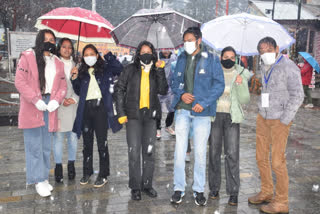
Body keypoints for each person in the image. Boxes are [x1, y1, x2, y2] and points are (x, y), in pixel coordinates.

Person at [248, 37, 304, 214]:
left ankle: (281, 201)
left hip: (280, 120)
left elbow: (298, 95)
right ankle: (266, 191)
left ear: (277, 48)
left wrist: (285, 119)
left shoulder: (288, 67)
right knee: (260, 157)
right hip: (263, 117)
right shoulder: (263, 66)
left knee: (277, 161)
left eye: (268, 50)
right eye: (261, 51)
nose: (265, 54)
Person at [170, 27, 225, 206]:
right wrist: (181, 94)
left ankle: (199, 189)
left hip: (202, 113)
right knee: (179, 152)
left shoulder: (212, 60)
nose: (187, 43)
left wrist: (205, 102)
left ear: (199, 40)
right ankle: (178, 188)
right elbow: (174, 81)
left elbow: (219, 85)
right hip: (183, 111)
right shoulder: (181, 58)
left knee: (200, 153)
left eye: (190, 39)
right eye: (184, 40)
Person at [15, 29, 67, 197]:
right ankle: (37, 180)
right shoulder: (27, 56)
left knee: (45, 146)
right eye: (46, 39)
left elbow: (62, 86)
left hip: (49, 107)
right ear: (39, 40)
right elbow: (20, 82)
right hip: (33, 106)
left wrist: (55, 100)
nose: (50, 42)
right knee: (34, 146)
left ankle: (43, 177)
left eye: (52, 40)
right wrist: (35, 99)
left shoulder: (57, 62)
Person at [114, 40, 168, 201]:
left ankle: (147, 184)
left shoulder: (156, 69)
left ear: (153, 53)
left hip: (150, 117)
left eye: (149, 51)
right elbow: (119, 90)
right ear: (138, 54)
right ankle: (135, 186)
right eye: (142, 51)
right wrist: (121, 113)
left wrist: (159, 71)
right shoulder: (130, 69)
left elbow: (163, 90)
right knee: (134, 152)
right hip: (133, 117)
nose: (146, 54)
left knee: (149, 153)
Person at [71, 44, 122, 188]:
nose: (89, 57)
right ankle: (87, 172)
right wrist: (74, 78)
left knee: (102, 143)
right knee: (87, 144)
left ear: (97, 55)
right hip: (86, 109)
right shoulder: (82, 71)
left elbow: (119, 70)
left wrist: (110, 56)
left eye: (91, 54)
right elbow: (79, 91)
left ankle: (104, 174)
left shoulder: (105, 68)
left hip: (101, 109)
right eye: (86, 55)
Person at [208, 46, 251, 206]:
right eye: (226, 56)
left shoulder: (240, 73)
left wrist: (241, 84)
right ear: (221, 57)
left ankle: (233, 192)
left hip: (232, 118)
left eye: (232, 57)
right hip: (215, 116)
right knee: (213, 152)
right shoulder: (214, 72)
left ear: (236, 58)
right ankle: (214, 188)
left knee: (232, 154)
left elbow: (245, 100)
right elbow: (208, 93)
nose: (229, 59)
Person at [52, 38, 79, 183]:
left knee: (73, 138)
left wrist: (74, 99)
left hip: (73, 107)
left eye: (69, 47)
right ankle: (57, 166)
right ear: (59, 48)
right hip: (58, 106)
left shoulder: (77, 66)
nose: (67, 49)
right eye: (64, 47)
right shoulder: (54, 64)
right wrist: (61, 100)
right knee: (58, 138)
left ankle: (71, 164)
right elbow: (51, 85)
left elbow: (81, 86)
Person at [156, 50, 177, 139]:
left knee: (172, 108)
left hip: (171, 87)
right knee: (157, 109)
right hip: (159, 87)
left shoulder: (175, 59)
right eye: (164, 49)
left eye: (168, 49)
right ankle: (157, 129)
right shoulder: (156, 58)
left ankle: (168, 126)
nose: (166, 51)